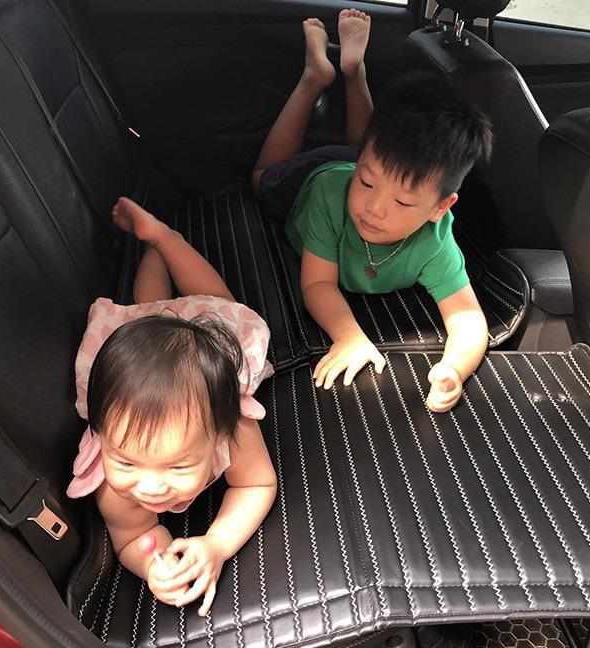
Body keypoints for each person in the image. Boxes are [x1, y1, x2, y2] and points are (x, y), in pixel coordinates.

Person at [252, 9, 493, 413]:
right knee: (262, 178)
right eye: (367, 186)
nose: (374, 209)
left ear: (440, 208)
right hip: (319, 177)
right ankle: (315, 77)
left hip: (361, 163)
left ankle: (352, 71)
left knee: (367, 153)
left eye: (402, 202)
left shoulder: (435, 240)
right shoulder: (333, 196)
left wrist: (454, 368)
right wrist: (349, 336)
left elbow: (467, 318)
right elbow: (318, 284)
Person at [66, 197, 277, 616]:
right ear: (103, 438)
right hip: (139, 357)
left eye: (178, 466)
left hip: (207, 344)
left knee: (217, 303)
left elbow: (256, 485)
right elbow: (131, 537)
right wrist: (155, 566)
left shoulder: (232, 428)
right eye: (126, 461)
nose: (150, 487)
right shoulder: (112, 483)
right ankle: (153, 253)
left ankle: (165, 239)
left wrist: (217, 544)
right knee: (148, 310)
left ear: (219, 434)